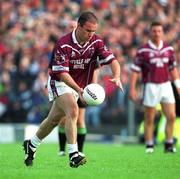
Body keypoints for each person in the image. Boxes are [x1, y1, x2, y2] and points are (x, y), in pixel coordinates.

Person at [23, 11, 123, 168]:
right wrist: (80, 89)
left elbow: (113, 60)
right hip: (60, 82)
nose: (91, 34)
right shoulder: (63, 44)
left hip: (78, 86)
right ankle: (73, 154)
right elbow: (62, 74)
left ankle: (32, 144)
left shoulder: (96, 42)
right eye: (88, 30)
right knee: (73, 110)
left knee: (53, 120)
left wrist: (117, 75)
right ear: (79, 26)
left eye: (94, 31)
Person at [129, 21, 180, 154]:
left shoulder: (169, 49)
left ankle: (168, 144)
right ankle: (149, 145)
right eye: (154, 31)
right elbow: (135, 70)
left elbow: (173, 68)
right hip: (151, 86)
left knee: (172, 116)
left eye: (159, 31)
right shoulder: (143, 50)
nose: (157, 33)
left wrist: (178, 84)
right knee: (150, 118)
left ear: (162, 33)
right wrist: (132, 88)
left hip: (166, 85)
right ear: (150, 32)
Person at [58, 69, 99, 157]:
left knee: (80, 120)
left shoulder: (91, 55)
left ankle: (80, 150)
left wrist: (94, 87)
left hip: (83, 90)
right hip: (67, 88)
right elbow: (53, 68)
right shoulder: (61, 55)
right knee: (63, 119)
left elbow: (94, 69)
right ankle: (62, 149)